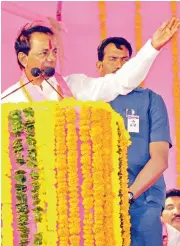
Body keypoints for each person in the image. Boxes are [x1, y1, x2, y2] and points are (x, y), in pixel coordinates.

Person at [96, 20, 180, 245]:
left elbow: (160, 159)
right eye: (112, 59)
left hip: (142, 201)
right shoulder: (90, 102)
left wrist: (129, 195)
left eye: (125, 60)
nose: (120, 65)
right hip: (98, 201)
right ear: (99, 66)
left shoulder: (151, 99)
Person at [1, 17, 180, 103]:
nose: (52, 58)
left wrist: (152, 48)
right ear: (23, 58)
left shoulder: (73, 86)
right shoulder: (8, 100)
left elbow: (119, 82)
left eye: (54, 51)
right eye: (43, 53)